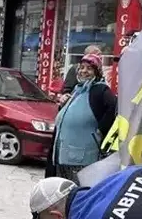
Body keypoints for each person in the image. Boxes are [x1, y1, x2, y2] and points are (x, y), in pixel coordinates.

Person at [47, 53, 116, 182]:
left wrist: (100, 131)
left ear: (97, 72)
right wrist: (63, 104)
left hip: (82, 158)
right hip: (63, 155)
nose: (84, 71)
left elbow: (113, 108)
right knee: (65, 190)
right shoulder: (77, 89)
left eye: (89, 68)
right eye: (82, 67)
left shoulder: (100, 90)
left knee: (77, 190)